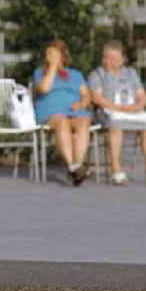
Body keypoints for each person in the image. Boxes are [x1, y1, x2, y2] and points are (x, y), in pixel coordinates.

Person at [88, 41, 146, 186]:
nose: (107, 61)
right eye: (105, 57)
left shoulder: (131, 73)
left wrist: (138, 106)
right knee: (116, 126)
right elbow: (96, 98)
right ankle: (116, 170)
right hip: (107, 111)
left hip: (131, 110)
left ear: (122, 60)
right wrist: (117, 107)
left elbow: (142, 95)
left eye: (112, 58)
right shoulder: (97, 74)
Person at [32, 39, 91, 186]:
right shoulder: (40, 73)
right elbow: (44, 89)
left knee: (84, 120)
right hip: (50, 112)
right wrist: (52, 67)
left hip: (74, 111)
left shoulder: (76, 74)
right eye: (47, 54)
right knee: (62, 121)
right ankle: (72, 166)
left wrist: (82, 103)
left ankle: (77, 165)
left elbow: (86, 94)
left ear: (63, 56)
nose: (48, 57)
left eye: (52, 54)